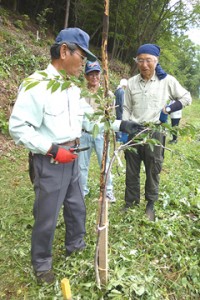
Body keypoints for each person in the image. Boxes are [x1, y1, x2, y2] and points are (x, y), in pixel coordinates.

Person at [9, 27, 97, 284]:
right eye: (82, 56)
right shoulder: (37, 84)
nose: (85, 63)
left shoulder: (70, 86)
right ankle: (42, 264)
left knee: (77, 207)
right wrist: (52, 149)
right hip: (51, 161)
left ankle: (75, 246)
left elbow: (87, 116)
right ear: (63, 51)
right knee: (47, 215)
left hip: (73, 157)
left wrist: (118, 124)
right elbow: (18, 127)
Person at [122, 43, 192, 221]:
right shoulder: (131, 83)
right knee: (132, 169)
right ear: (136, 61)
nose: (144, 64)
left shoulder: (167, 81)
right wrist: (125, 127)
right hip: (134, 131)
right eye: (140, 60)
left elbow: (186, 97)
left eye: (148, 60)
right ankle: (131, 202)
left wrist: (168, 109)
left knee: (153, 169)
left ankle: (150, 203)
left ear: (156, 61)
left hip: (155, 132)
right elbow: (126, 108)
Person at [78, 60, 116, 202]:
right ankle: (82, 190)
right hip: (84, 134)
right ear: (86, 76)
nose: (94, 77)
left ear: (100, 75)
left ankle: (108, 191)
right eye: (90, 74)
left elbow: (111, 116)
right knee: (81, 165)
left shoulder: (107, 94)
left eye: (96, 74)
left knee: (105, 163)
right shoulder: (80, 93)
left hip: (101, 135)